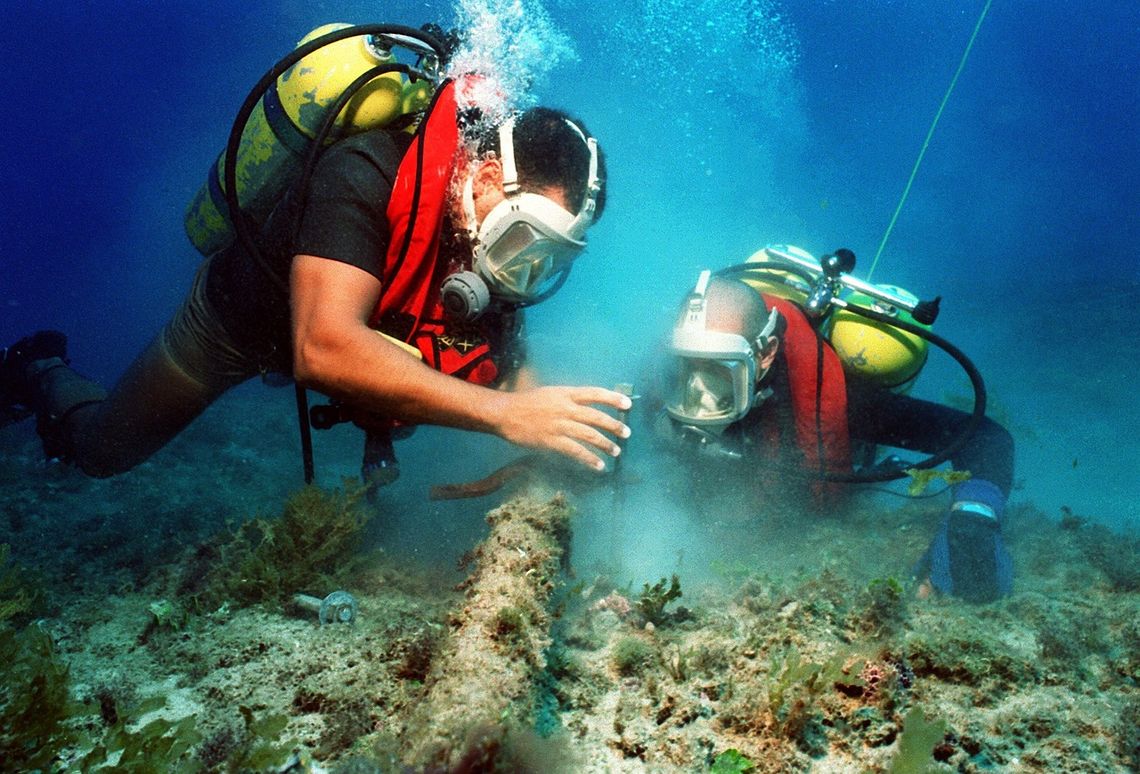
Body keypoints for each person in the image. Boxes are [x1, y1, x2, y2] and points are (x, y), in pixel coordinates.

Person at [0, 74, 632, 485]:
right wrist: (505, 417)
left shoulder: (492, 239)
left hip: (352, 333)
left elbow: (519, 379)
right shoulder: (363, 171)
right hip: (238, 322)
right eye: (530, 241)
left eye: (553, 257)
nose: (528, 271)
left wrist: (549, 445)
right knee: (103, 453)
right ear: (489, 177)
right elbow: (323, 347)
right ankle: (42, 370)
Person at [654, 265, 1015, 603]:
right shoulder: (659, 380)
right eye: (687, 368)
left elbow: (986, 438)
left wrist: (973, 521)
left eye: (718, 372)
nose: (697, 392)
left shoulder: (843, 401)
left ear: (764, 355)